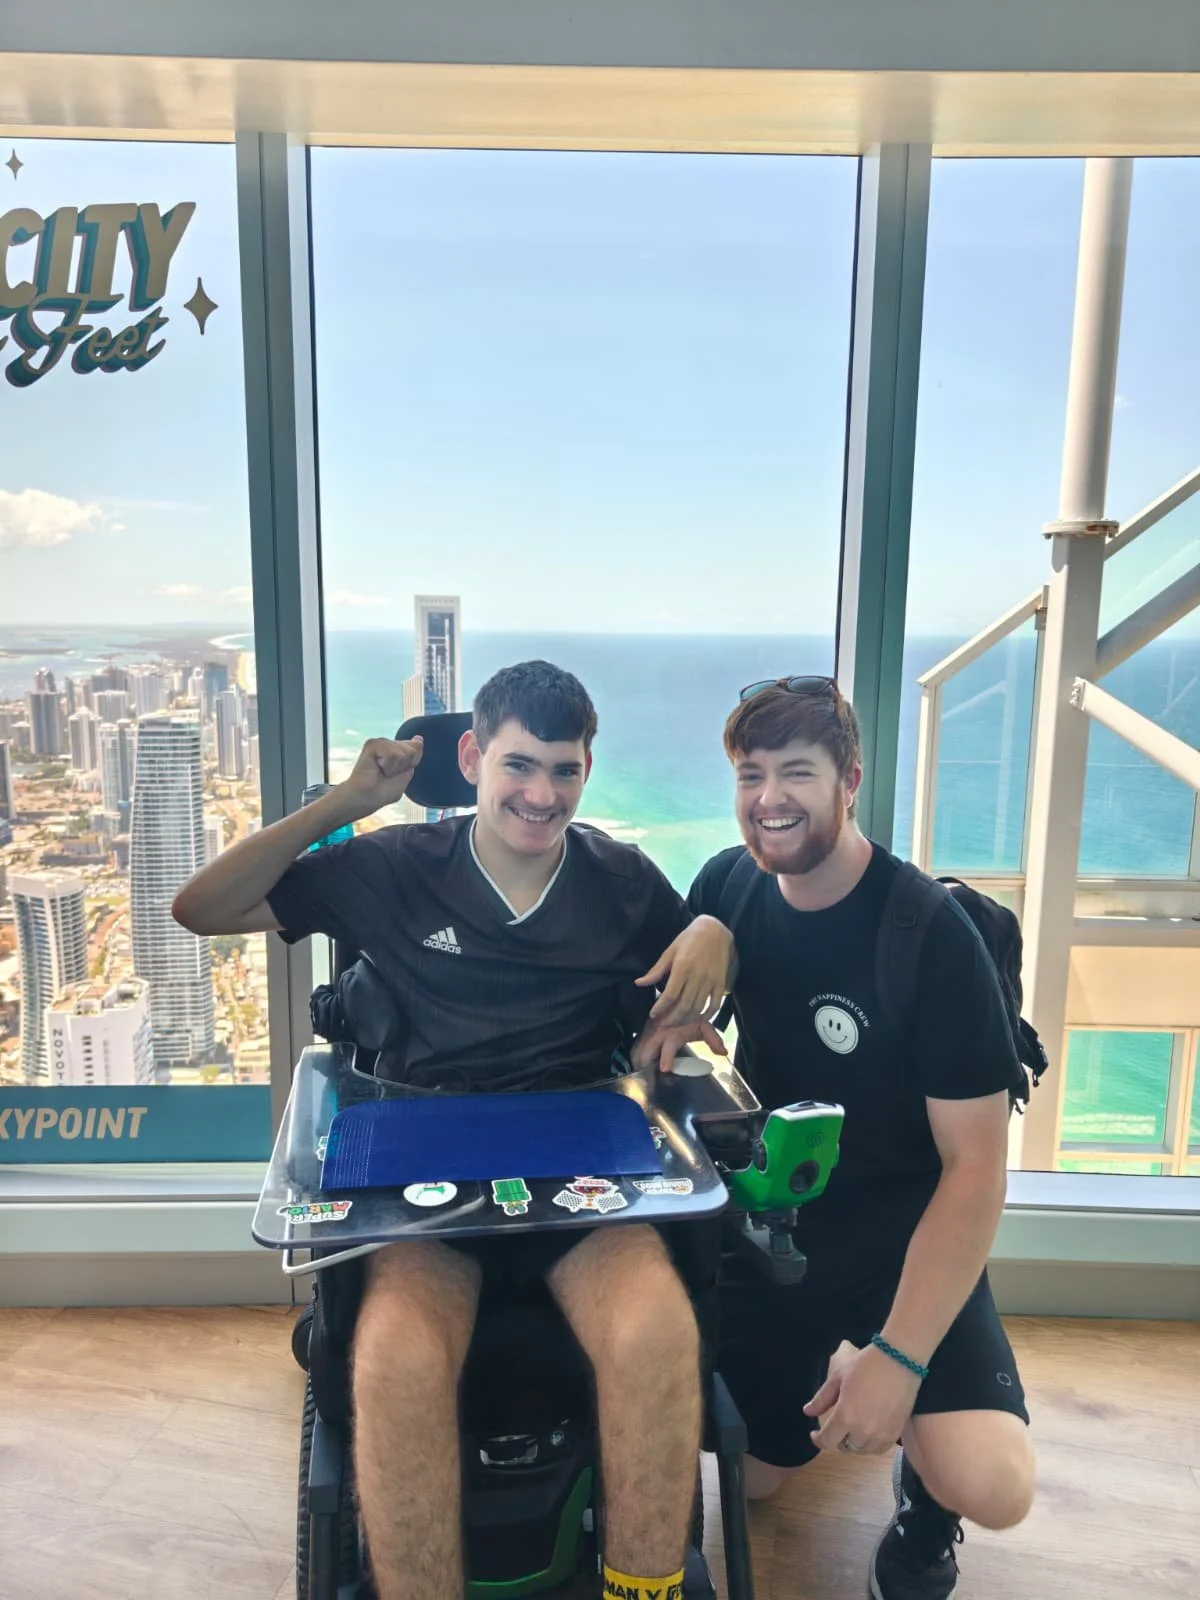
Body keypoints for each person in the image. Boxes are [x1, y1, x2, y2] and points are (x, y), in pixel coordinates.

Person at [172, 659, 732, 1600]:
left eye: (564, 770)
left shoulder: (622, 882)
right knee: (396, 1356)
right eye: (519, 765)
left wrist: (717, 927)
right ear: (472, 757)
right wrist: (347, 800)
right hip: (424, 1171)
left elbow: (693, 991)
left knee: (656, 1331)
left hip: (574, 1171)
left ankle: (646, 1588)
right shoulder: (393, 870)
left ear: (587, 773)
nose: (540, 794)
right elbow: (202, 908)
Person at [663, 676, 1036, 1600]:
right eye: (751, 775)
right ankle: (844, 1378)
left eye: (798, 772)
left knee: (993, 1484)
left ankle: (921, 1494)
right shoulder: (730, 884)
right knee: (745, 1482)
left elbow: (977, 1169)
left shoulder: (929, 936)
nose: (770, 799)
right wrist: (704, 927)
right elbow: (661, 1030)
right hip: (779, 1222)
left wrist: (903, 1358)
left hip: (905, 1230)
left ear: (850, 781)